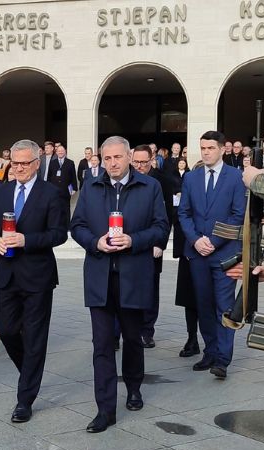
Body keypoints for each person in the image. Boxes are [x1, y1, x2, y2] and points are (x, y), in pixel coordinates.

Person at [70, 136, 169, 433]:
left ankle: (134, 386)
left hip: (134, 275)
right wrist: (95, 242)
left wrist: (133, 240)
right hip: (100, 276)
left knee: (132, 338)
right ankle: (105, 409)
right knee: (101, 345)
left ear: (128, 157)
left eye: (117, 157)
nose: (112, 163)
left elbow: (161, 227)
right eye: (107, 158)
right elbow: (77, 226)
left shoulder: (149, 186)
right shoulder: (91, 185)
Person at [0, 139, 68, 423]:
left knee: (34, 338)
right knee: (6, 331)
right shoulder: (3, 190)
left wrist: (26, 240)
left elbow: (59, 234)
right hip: (6, 273)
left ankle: (25, 399)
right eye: (14, 163)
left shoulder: (52, 194)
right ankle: (30, 372)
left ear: (36, 163)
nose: (18, 167)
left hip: (37, 276)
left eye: (23, 163)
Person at [177, 130, 245, 380]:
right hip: (197, 254)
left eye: (210, 148)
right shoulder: (191, 178)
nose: (205, 152)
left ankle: (223, 359)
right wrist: (196, 240)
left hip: (225, 254)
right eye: (202, 148)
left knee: (224, 307)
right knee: (203, 305)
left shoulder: (236, 177)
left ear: (222, 149)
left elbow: (238, 215)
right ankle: (210, 350)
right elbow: (183, 213)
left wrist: (213, 242)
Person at [130, 145, 178, 349]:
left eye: (144, 162)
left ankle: (147, 330)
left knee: (150, 289)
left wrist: (161, 242)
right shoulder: (127, 178)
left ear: (152, 160)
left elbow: (168, 216)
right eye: (136, 162)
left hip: (153, 243)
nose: (140, 166)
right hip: (130, 243)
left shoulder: (163, 181)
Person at [171, 157, 199, 357]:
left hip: (210, 253)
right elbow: (179, 219)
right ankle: (192, 338)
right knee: (189, 301)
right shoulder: (185, 196)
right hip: (189, 255)